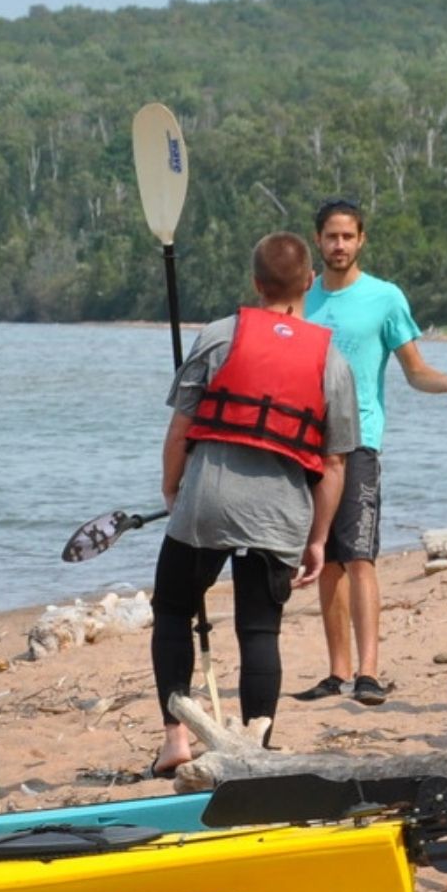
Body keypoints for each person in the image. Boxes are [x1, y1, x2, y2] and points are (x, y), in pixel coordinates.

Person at [146, 235, 357, 774]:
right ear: (308, 282)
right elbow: (334, 465)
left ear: (256, 283)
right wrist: (317, 537)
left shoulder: (218, 337)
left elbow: (180, 431)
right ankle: (256, 742)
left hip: (207, 501)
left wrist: (173, 488)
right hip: (281, 513)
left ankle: (176, 739)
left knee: (172, 611)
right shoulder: (331, 360)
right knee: (259, 630)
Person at [295, 199, 442, 705]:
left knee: (359, 555)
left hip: (359, 441)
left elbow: (416, 370)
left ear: (361, 240)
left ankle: (369, 672)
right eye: (331, 237)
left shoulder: (385, 297)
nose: (339, 245)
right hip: (307, 444)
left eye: (348, 237)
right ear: (318, 240)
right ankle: (336, 673)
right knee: (325, 558)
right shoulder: (302, 296)